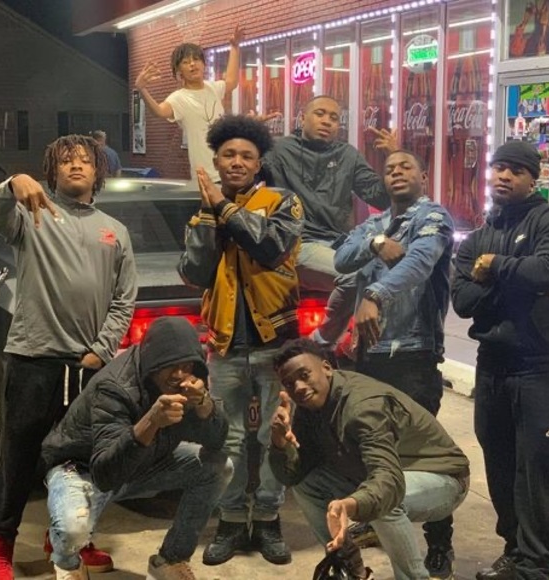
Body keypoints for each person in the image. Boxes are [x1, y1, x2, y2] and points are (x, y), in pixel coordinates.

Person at [0, 135, 137, 579]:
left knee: (79, 462)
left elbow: (124, 299)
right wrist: (11, 185)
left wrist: (101, 351)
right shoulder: (30, 215)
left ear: (98, 171)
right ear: (52, 171)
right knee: (17, 457)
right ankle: (0, 543)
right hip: (32, 358)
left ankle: (68, 537)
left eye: (85, 160)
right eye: (66, 160)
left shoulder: (115, 230)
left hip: (87, 368)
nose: (76, 165)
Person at [178, 115, 304, 566]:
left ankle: (268, 519)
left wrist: (225, 209)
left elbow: (270, 247)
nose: (236, 162)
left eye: (246, 156)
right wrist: (208, 216)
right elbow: (195, 272)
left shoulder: (283, 202)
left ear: (258, 163)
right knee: (226, 440)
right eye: (228, 154)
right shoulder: (204, 208)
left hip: (276, 344)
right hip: (225, 346)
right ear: (216, 160)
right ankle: (231, 521)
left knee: (273, 436)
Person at [451, 140, 549, 580]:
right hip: (493, 365)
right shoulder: (477, 238)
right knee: (500, 468)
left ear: (532, 179)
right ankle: (515, 551)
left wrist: (496, 267)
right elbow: (463, 301)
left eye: (516, 170)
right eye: (499, 167)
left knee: (536, 470)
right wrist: (516, 279)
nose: (504, 176)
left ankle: (536, 564)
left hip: (545, 367)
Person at [334, 149, 456, 579]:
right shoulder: (374, 224)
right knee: (374, 449)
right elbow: (341, 257)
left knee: (424, 456)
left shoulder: (433, 218)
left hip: (414, 354)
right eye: (389, 169)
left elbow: (419, 263)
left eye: (406, 167)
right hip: (370, 357)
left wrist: (374, 294)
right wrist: (375, 243)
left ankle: (439, 545)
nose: (397, 173)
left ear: (424, 175)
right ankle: (383, 521)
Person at [41, 316, 232, 580]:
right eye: (169, 367)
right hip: (83, 467)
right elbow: (106, 474)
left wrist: (204, 404)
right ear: (153, 362)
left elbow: (216, 442)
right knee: (72, 527)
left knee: (218, 467)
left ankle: (170, 559)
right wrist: (151, 422)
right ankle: (68, 563)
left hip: (144, 460)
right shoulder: (115, 387)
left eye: (185, 365)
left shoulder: (191, 377)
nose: (179, 375)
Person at [269, 339, 470, 580]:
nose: (299, 387)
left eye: (304, 375)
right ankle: (349, 570)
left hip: (443, 478)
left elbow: (388, 481)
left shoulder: (364, 406)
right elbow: (293, 475)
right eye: (289, 383)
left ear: (326, 368)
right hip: (379, 474)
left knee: (384, 502)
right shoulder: (309, 407)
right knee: (307, 483)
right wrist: (279, 443)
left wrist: (351, 503)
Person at [262, 95, 396, 350]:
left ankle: (362, 349)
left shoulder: (347, 155)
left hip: (341, 243)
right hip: (298, 244)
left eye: (334, 118)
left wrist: (394, 157)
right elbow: (243, 175)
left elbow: (380, 197)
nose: (327, 121)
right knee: (355, 275)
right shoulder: (279, 150)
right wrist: (251, 136)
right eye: (320, 114)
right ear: (302, 118)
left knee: (389, 274)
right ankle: (323, 342)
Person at [135, 25, 244, 182]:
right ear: (179, 71)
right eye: (186, 62)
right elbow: (159, 111)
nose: (192, 64)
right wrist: (142, 89)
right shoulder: (179, 98)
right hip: (207, 176)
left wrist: (234, 47)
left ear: (204, 64)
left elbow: (231, 82)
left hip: (230, 171)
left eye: (196, 59)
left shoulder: (213, 88)